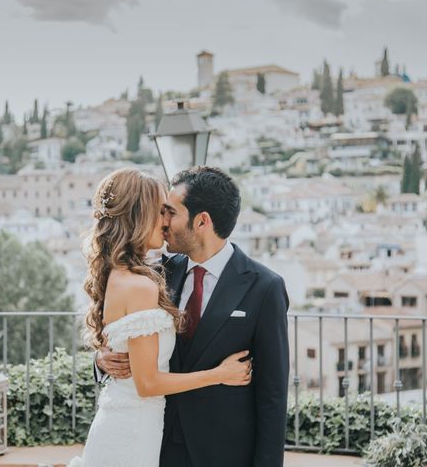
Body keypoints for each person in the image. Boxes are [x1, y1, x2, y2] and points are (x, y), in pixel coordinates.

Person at [97, 166, 290, 467]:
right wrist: (101, 361)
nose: (164, 222)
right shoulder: (156, 274)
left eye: (170, 213)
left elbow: (273, 397)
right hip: (156, 446)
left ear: (201, 221)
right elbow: (124, 339)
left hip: (224, 454)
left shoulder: (264, 287)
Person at [68, 168, 252, 467]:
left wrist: (106, 356)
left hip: (133, 425)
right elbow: (148, 383)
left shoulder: (127, 274)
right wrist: (219, 374)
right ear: (139, 217)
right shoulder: (141, 285)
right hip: (133, 433)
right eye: (160, 212)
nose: (166, 222)